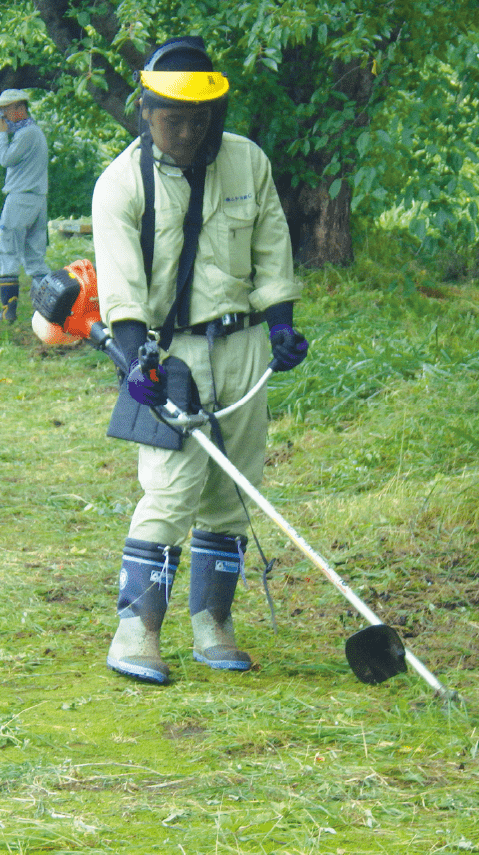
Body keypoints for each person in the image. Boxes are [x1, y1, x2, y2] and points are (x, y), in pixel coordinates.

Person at [91, 36, 308, 685]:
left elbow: (271, 248)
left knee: (234, 492)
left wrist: (283, 325)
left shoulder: (248, 163)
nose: (186, 132)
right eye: (172, 119)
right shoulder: (120, 184)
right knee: (170, 489)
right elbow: (122, 292)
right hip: (167, 354)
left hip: (242, 350)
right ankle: (136, 631)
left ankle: (214, 625)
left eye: (198, 119)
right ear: (146, 111)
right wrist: (137, 363)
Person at [0, 89, 50, 322]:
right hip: (37, 198)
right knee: (35, 258)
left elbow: (5, 159)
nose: (2, 116)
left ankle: (8, 311)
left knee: (8, 252)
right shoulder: (35, 132)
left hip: (20, 198)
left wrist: (2, 136)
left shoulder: (26, 134)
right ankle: (52, 308)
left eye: (5, 110)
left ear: (19, 109)